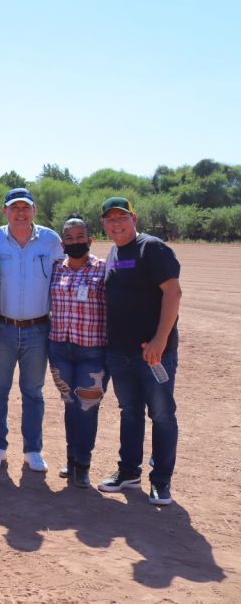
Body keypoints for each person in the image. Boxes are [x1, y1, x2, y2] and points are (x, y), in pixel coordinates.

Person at [95, 197, 182, 506]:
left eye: (122, 217)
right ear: (104, 224)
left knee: (161, 414)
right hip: (120, 353)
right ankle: (129, 472)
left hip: (153, 354)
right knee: (130, 412)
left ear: (134, 218)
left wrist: (160, 339)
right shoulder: (114, 252)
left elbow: (173, 292)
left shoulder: (152, 248)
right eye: (110, 219)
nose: (116, 224)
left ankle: (161, 481)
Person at [0, 188, 64, 472]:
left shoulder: (51, 241)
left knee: (33, 392)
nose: (20, 213)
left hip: (38, 329)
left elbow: (65, 276)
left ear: (34, 210)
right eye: (14, 207)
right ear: (4, 211)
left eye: (25, 207)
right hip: (3, 328)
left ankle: (33, 450)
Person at [48, 215, 108, 488]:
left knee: (87, 407)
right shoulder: (55, 269)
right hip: (60, 348)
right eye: (69, 239)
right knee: (70, 405)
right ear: (63, 243)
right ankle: (71, 459)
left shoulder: (103, 270)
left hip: (92, 350)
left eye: (79, 237)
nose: (75, 242)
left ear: (90, 240)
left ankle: (83, 463)